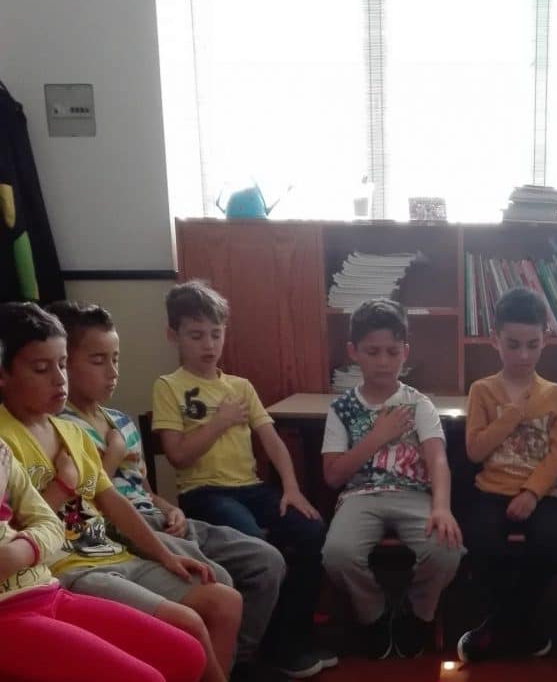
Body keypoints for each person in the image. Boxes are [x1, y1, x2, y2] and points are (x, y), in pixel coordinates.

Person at [48, 299, 288, 682]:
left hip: (159, 518)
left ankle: (234, 662)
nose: (112, 372)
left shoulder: (120, 421)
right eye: (98, 361)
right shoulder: (59, 427)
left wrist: (168, 507)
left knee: (266, 561)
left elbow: (142, 487)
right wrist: (112, 455)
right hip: (118, 529)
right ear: (64, 364)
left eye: (115, 359)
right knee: (216, 582)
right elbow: (82, 501)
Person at [0, 301, 239, 682]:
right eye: (42, 369)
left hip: (112, 554)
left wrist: (165, 555)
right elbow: (15, 532)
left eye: (62, 365)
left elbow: (111, 500)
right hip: (67, 569)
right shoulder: (5, 440)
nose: (59, 380)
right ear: (3, 374)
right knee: (188, 624)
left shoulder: (72, 433)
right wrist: (63, 485)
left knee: (223, 600)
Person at [152, 280, 333, 678]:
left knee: (311, 529)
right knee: (255, 544)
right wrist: (219, 422)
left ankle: (291, 636)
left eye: (216, 334)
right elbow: (178, 455)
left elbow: (273, 441)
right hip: (204, 493)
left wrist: (291, 488)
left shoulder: (240, 386)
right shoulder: (169, 387)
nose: (208, 344)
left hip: (251, 489)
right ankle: (250, 651)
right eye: (196, 335)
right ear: (173, 335)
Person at [321, 298, 463, 659]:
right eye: (373, 352)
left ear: (405, 352)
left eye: (392, 352)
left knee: (446, 550)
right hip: (360, 496)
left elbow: (438, 460)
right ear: (354, 352)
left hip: (413, 494)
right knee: (337, 554)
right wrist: (376, 437)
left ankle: (418, 613)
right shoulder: (342, 409)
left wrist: (442, 507)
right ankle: (373, 613)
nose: (383, 361)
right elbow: (333, 476)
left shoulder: (418, 404)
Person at [0, 438, 208, 682]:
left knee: (187, 655)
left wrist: (25, 550)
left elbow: (50, 523)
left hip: (47, 592)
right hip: (8, 612)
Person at [456, 287, 557, 663]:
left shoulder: (555, 395)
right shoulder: (482, 391)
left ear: (544, 340)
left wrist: (532, 492)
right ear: (495, 340)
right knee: (481, 541)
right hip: (491, 489)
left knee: (551, 543)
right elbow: (475, 451)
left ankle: (504, 623)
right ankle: (516, 624)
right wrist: (509, 418)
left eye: (532, 345)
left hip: (541, 493)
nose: (523, 355)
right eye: (513, 344)